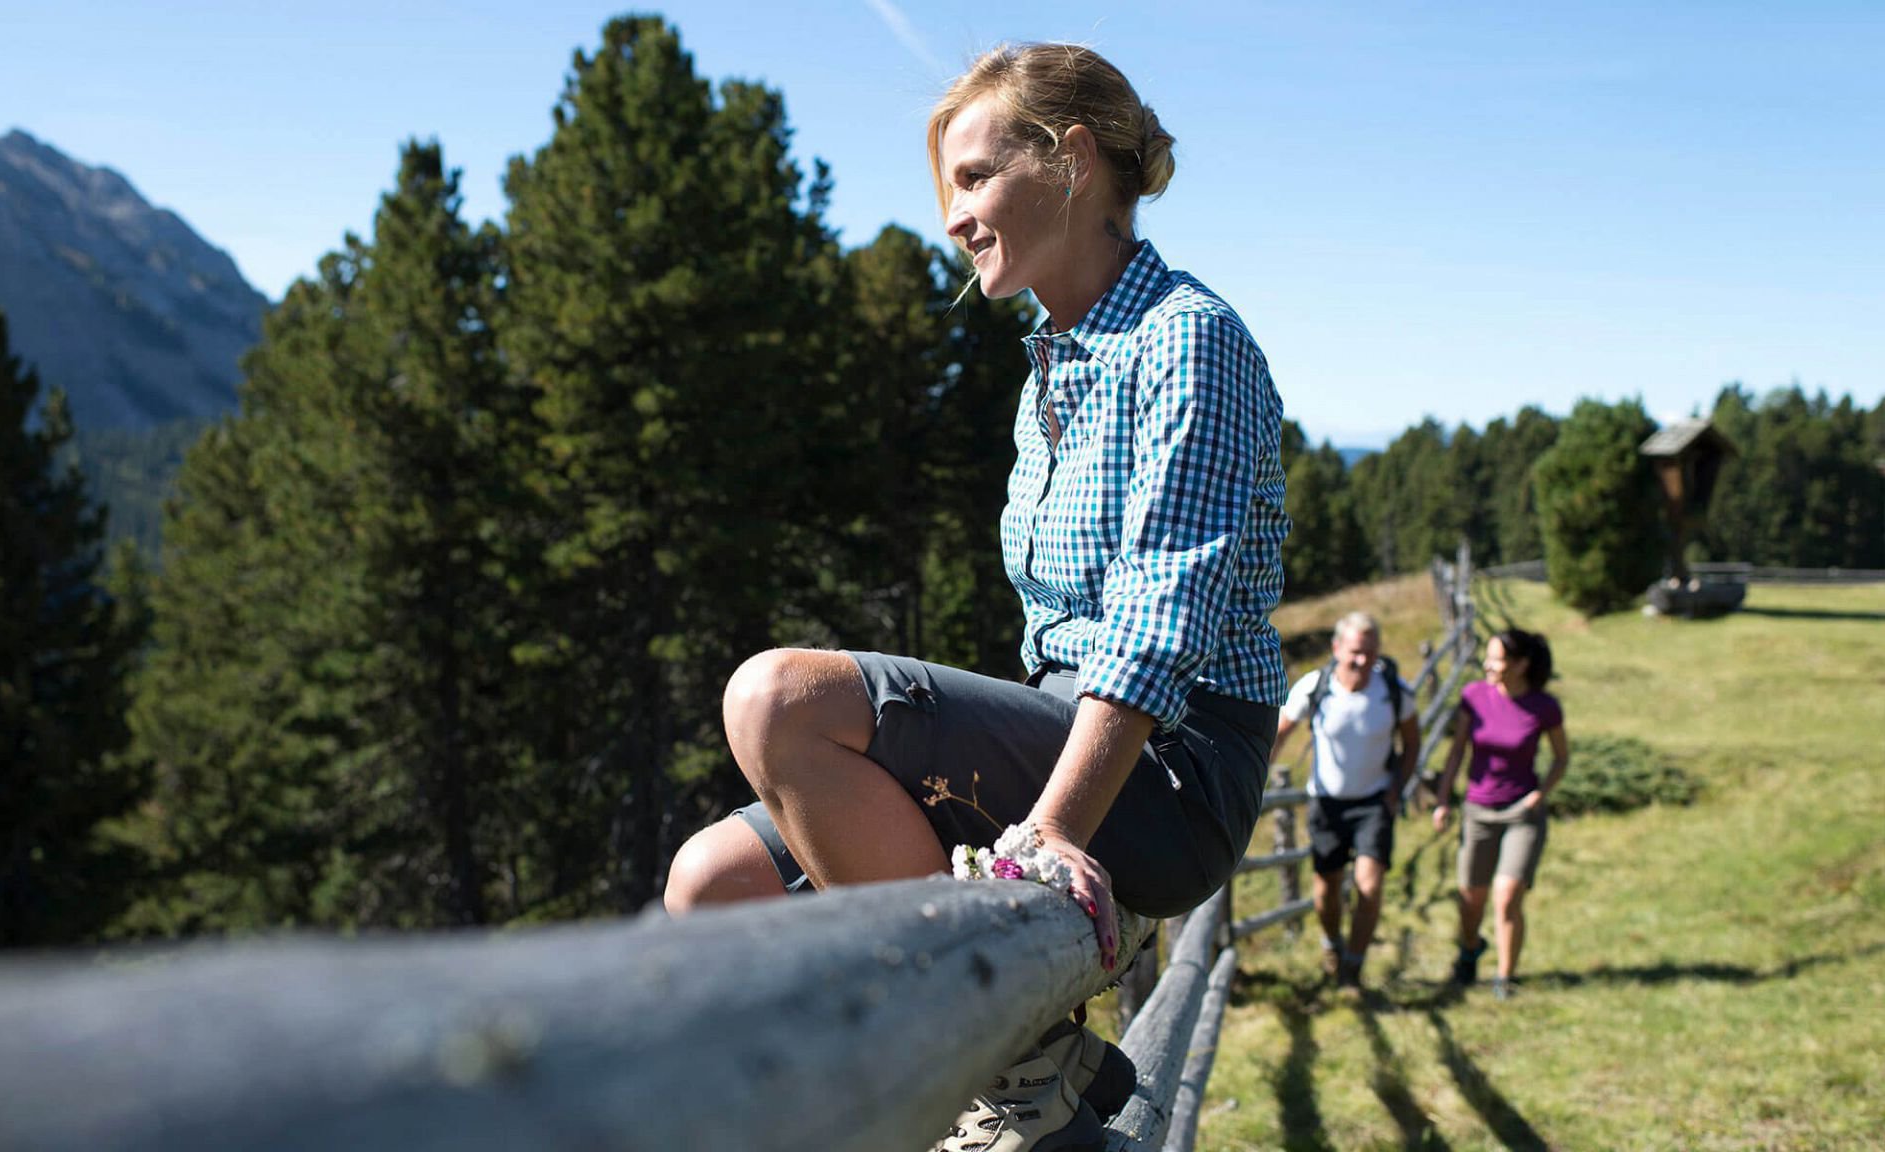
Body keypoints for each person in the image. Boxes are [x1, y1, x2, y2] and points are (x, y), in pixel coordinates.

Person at [662, 40, 1289, 1152]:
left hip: (1173, 767)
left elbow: (1160, 617)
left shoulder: (1187, 341)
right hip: (1076, 728)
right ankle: (919, 1095)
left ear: (1073, 159)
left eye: (973, 176)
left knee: (777, 703)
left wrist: (1043, 835)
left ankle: (1015, 1054)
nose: (953, 216)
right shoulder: (1053, 366)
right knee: (711, 883)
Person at [1268, 612, 1421, 991]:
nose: (1362, 660)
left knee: (1369, 886)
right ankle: (1332, 945)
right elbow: (1279, 733)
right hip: (1326, 803)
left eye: (1369, 652)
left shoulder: (1393, 690)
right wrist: (1252, 779)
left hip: (1373, 802)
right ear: (1336, 649)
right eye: (1354, 652)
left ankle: (1353, 966)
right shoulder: (1315, 687)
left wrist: (1395, 789)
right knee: (1327, 887)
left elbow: (1412, 742)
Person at [1431, 628, 1569, 1001]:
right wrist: (1444, 799)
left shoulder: (1544, 707)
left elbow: (1560, 757)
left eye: (1498, 659)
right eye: (1488, 658)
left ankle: (1504, 978)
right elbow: (1457, 752)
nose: (1489, 665)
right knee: (1470, 898)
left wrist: (1539, 795)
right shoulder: (1474, 697)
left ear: (1521, 665)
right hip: (1478, 810)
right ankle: (1471, 946)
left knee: (1507, 895)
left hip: (1521, 812)